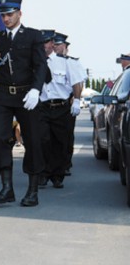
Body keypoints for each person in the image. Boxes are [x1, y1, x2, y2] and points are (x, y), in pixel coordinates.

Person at [0, 0, 47, 207]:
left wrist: (35, 90)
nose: (6, 18)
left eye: (9, 14)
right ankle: (7, 188)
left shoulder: (32, 36)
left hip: (25, 94)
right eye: (3, 15)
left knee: (32, 140)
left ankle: (32, 190)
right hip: (3, 95)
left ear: (19, 14)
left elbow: (40, 66)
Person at [38, 29, 83, 188]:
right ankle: (43, 173)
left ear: (52, 44)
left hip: (61, 107)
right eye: (41, 43)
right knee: (42, 140)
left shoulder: (66, 62)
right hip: (42, 107)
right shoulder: (36, 62)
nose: (44, 46)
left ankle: (57, 175)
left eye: (47, 43)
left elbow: (76, 82)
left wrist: (76, 100)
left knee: (60, 142)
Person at [52, 32, 86, 175]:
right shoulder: (47, 61)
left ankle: (65, 163)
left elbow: (79, 82)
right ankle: (52, 165)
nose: (55, 47)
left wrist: (76, 100)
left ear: (65, 46)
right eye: (54, 45)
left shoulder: (73, 62)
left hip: (68, 103)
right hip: (50, 104)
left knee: (66, 135)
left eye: (58, 45)